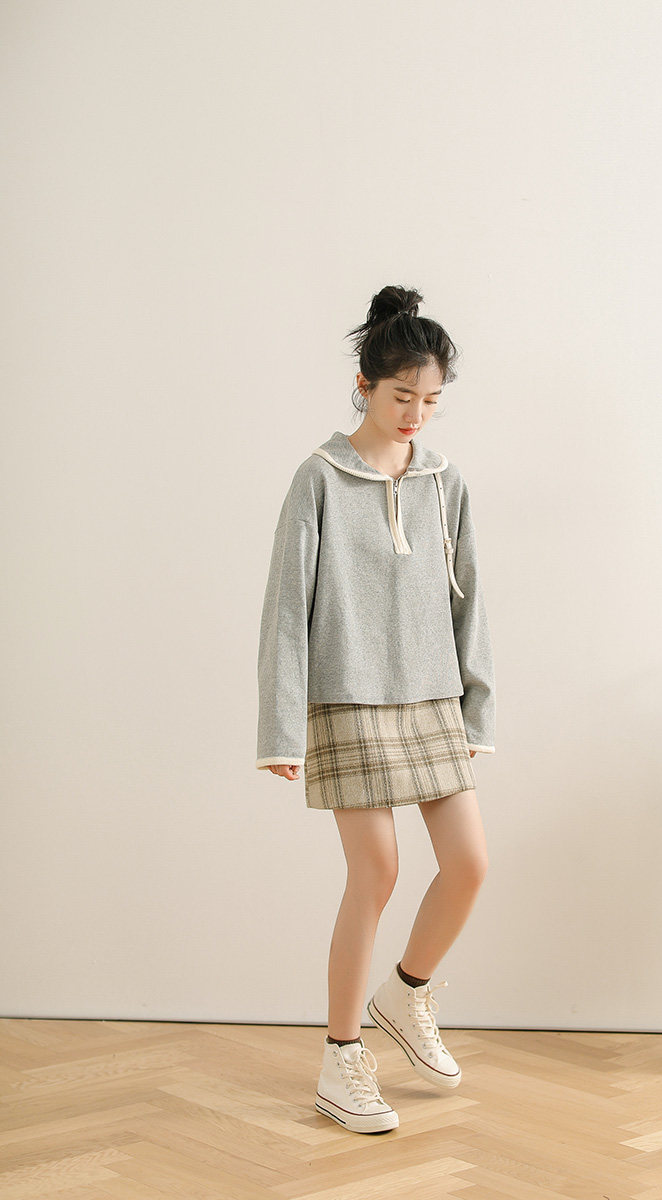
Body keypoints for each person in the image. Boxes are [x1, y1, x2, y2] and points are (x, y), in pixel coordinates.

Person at [255, 285, 495, 1135]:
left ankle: (406, 993)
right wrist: (280, 726)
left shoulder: (444, 481)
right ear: (364, 385)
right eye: (402, 397)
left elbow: (470, 602)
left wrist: (476, 710)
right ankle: (341, 1056)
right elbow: (287, 607)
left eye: (430, 400)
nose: (416, 415)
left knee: (469, 865)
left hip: (431, 698)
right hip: (348, 697)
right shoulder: (319, 478)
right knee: (378, 872)